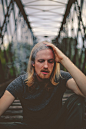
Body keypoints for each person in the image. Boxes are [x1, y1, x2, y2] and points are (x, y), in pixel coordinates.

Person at [0, 41, 86, 129]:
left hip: (57, 125)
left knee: (77, 100)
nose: (45, 66)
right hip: (30, 126)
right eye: (41, 61)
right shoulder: (20, 82)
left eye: (50, 61)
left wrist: (63, 59)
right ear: (33, 63)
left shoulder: (61, 77)